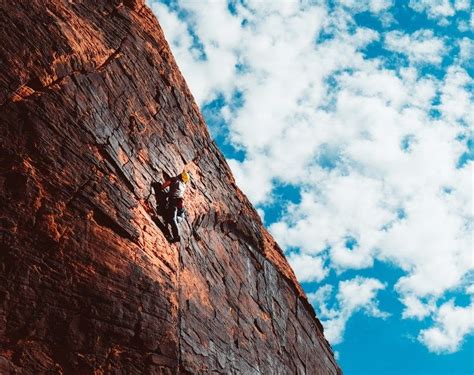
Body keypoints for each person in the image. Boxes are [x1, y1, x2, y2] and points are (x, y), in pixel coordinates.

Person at [153, 170, 190, 243]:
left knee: (172, 219)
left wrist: (159, 188)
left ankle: (176, 237)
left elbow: (163, 186)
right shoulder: (183, 185)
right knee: (170, 217)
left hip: (173, 202)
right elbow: (176, 192)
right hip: (179, 204)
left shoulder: (174, 179)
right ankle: (172, 229)